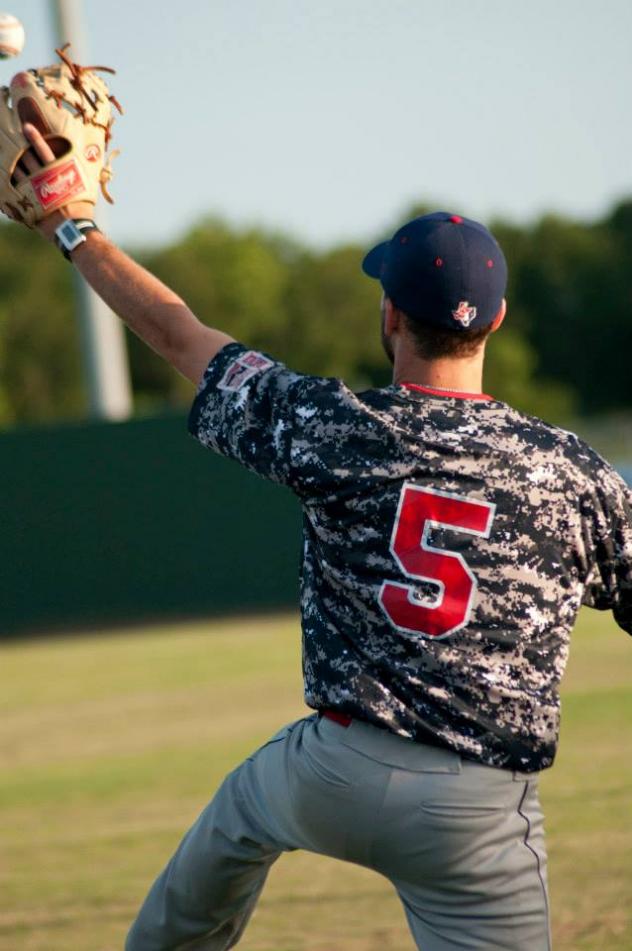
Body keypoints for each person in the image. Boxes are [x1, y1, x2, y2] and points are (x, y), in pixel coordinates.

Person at [14, 122, 632, 951]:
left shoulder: (334, 425)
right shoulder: (570, 472)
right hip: (477, 811)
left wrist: (73, 225)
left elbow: (178, 333)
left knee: (236, 823)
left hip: (332, 768)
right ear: (498, 320)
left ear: (390, 314)